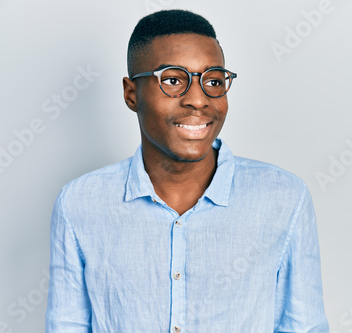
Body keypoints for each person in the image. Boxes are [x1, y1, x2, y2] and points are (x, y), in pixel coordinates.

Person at [45, 9, 329, 333]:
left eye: (213, 81)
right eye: (173, 80)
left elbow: (303, 327)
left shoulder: (284, 199)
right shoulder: (79, 204)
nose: (198, 99)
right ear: (131, 93)